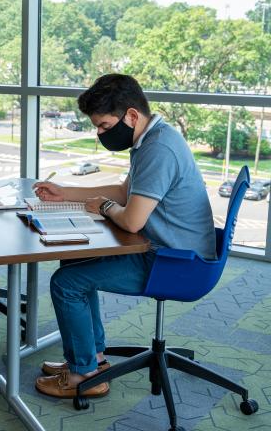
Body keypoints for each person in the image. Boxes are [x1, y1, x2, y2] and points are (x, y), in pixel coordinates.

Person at [33, 74, 215, 399]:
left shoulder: (159, 149)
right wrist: (66, 193)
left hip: (175, 264)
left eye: (103, 125)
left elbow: (131, 220)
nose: (100, 133)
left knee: (66, 283)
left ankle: (84, 376)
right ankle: (93, 358)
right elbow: (124, 190)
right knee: (78, 260)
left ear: (131, 115)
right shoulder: (154, 137)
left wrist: (102, 206)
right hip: (172, 249)